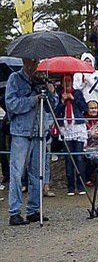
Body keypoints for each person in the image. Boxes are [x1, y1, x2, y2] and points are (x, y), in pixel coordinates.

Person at [5, 59, 57, 225]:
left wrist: (51, 92)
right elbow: (11, 104)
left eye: (35, 61)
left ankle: (34, 209)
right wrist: (33, 100)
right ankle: (14, 211)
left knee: (38, 172)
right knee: (17, 172)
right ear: (24, 61)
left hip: (39, 130)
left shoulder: (40, 79)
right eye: (30, 61)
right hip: (21, 131)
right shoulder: (14, 79)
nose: (33, 64)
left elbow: (52, 105)